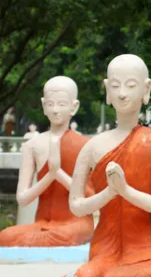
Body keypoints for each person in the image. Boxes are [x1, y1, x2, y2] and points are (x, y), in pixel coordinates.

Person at [55, 55, 151, 277]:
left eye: (130, 85)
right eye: (115, 86)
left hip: (145, 249)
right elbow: (77, 205)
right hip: (103, 247)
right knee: (89, 276)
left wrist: (126, 191)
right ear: (107, 89)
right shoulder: (93, 146)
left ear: (146, 88)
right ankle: (99, 275)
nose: (122, 93)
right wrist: (108, 194)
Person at [0, 77, 92, 247]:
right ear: (43, 106)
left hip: (74, 224)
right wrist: (49, 176)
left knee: (65, 236)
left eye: (62, 104)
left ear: (74, 106)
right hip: (42, 224)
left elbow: (89, 197)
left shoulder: (85, 146)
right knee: (5, 236)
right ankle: (40, 240)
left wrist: (59, 174)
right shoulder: (32, 145)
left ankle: (39, 241)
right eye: (50, 104)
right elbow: (22, 199)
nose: (56, 110)